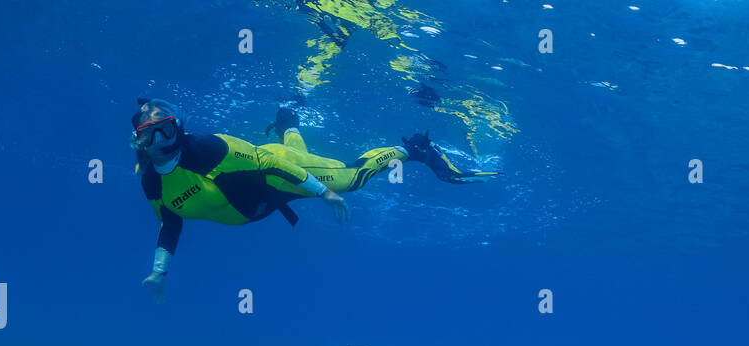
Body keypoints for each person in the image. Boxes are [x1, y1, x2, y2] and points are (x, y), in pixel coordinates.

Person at [130, 99, 495, 300]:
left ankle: (415, 149)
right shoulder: (152, 183)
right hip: (264, 195)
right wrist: (160, 271)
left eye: (169, 128)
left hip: (282, 177)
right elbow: (170, 221)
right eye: (152, 133)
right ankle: (289, 120)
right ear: (140, 141)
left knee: (351, 178)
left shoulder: (208, 148)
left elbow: (271, 163)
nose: (164, 139)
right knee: (293, 151)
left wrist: (326, 193)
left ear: (180, 126)